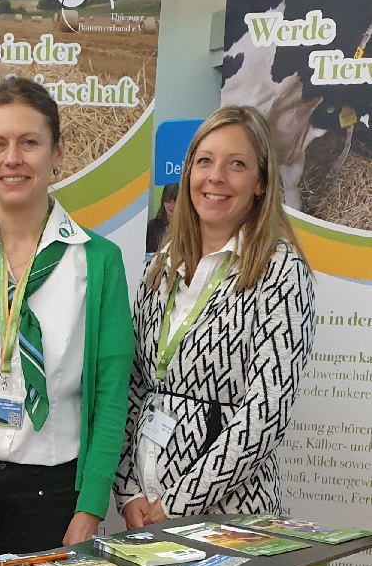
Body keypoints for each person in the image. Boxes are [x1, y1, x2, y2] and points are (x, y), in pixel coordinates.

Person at [0, 76, 133, 559]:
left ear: (57, 154)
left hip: (56, 494)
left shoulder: (98, 263)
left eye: (29, 142)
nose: (12, 158)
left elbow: (112, 393)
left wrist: (91, 508)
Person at [114, 105, 315, 527]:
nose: (216, 177)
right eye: (204, 161)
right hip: (144, 505)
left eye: (236, 164)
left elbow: (266, 412)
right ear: (187, 173)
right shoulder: (164, 262)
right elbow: (131, 383)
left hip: (230, 515)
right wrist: (128, 488)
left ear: (261, 182)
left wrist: (180, 503)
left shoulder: (279, 271)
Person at [145, 182, 178, 253]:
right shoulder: (152, 227)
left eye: (175, 201)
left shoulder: (189, 227)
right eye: (168, 201)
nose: (172, 206)